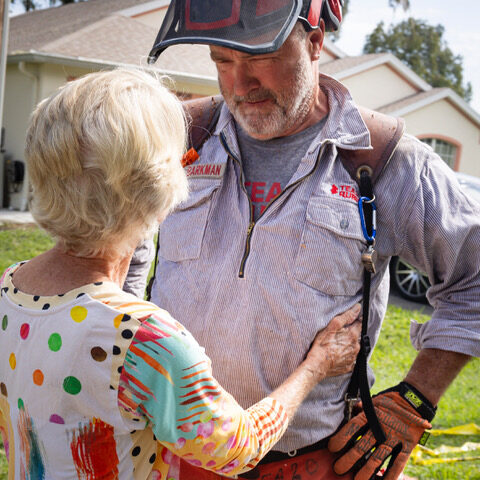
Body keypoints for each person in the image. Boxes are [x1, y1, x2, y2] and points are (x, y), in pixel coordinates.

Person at [145, 1, 480, 479]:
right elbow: (121, 245)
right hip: (173, 457)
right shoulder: (181, 136)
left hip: (309, 462)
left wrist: (416, 396)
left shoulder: (382, 159)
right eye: (222, 60)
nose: (240, 84)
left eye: (260, 56)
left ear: (316, 43)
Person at [0, 68, 362, 480]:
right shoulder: (143, 340)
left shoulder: (9, 289)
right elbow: (236, 448)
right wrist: (317, 365)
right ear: (154, 188)